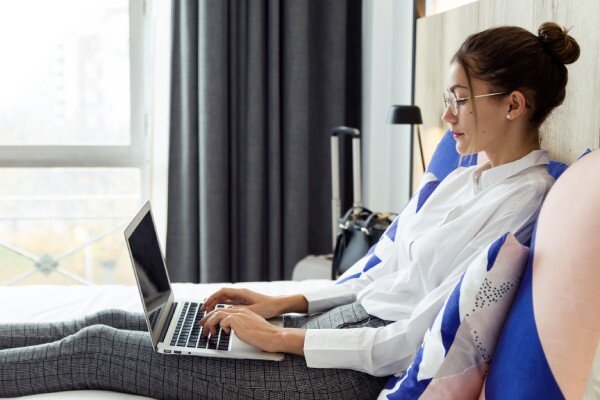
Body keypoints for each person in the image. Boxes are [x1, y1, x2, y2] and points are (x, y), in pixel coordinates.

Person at [0, 22, 580, 400]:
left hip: (352, 368)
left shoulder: (522, 209)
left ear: (513, 104)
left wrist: (282, 340)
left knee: (96, 347)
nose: (447, 115)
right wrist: (282, 304)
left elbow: (411, 339)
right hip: (335, 332)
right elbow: (385, 275)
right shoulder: (464, 177)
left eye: (458, 99)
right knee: (123, 318)